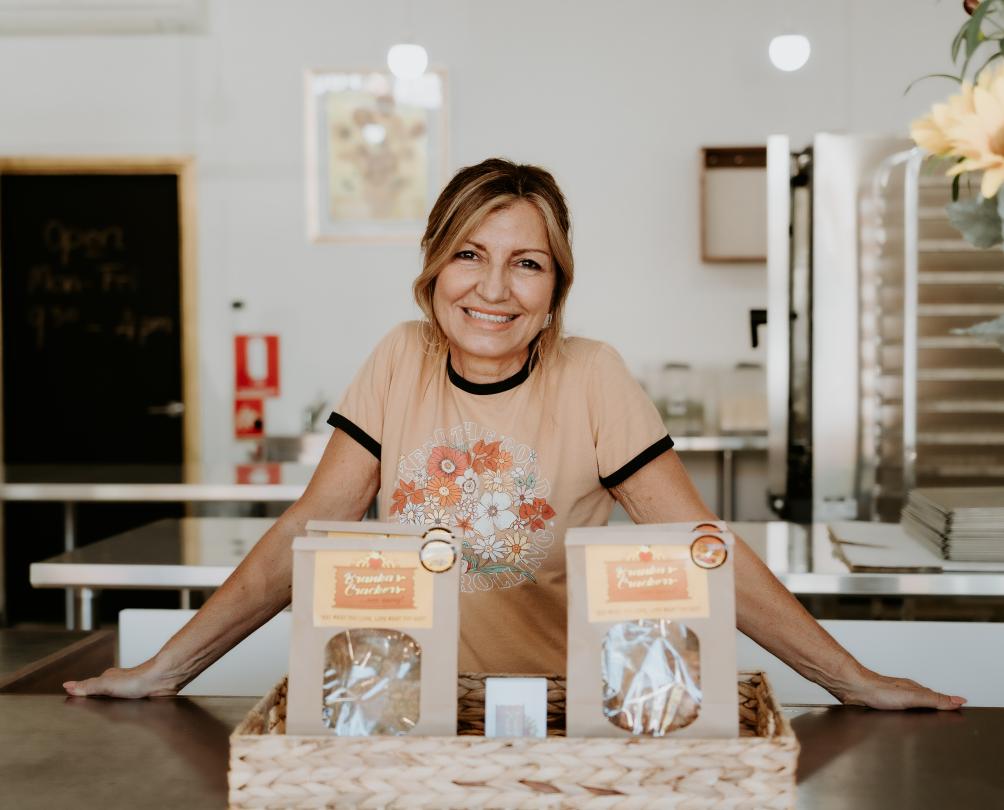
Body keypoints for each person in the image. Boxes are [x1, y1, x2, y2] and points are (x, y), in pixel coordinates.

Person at [65, 158, 965, 709]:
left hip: (561, 713)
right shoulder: (399, 359)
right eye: (470, 255)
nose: (494, 289)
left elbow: (703, 546)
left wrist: (853, 680)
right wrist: (164, 670)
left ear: (554, 289)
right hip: (409, 715)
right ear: (432, 271)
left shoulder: (592, 375)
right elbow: (304, 531)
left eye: (525, 264)